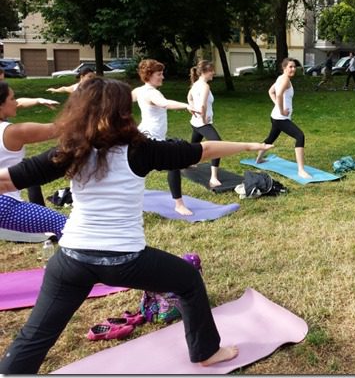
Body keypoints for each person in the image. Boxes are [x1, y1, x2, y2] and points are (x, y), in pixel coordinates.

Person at [0, 77, 273, 374]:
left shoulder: (70, 150)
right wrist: (249, 144)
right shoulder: (141, 149)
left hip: (71, 260)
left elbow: (8, 179)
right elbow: (204, 150)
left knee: (35, 336)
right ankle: (207, 351)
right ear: (122, 112)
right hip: (125, 261)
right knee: (188, 282)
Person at [0, 81, 67, 237]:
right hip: (3, 204)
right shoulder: (13, 132)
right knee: (65, 226)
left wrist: (37, 100)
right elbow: (59, 129)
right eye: (12, 98)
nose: (16, 102)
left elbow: (20, 104)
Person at [132, 59, 193, 215]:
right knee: (174, 163)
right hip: (151, 139)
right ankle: (179, 205)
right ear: (149, 75)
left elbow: (124, 98)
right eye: (159, 74)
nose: (162, 77)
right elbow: (164, 103)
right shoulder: (152, 93)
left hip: (144, 135)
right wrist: (186, 105)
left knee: (135, 170)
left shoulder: (140, 90)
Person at [256, 58, 312, 179]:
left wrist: (277, 105)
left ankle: (259, 159)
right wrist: (281, 110)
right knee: (300, 136)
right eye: (290, 67)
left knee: (271, 138)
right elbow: (279, 94)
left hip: (275, 117)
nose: (293, 69)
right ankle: (301, 170)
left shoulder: (280, 78)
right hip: (280, 118)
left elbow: (271, 92)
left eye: (294, 67)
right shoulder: (285, 80)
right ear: (284, 68)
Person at [188, 60, 223, 188]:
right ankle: (213, 178)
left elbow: (189, 98)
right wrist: (203, 120)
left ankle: (188, 162)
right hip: (201, 123)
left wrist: (192, 109)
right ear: (203, 72)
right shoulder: (205, 86)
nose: (213, 72)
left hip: (195, 123)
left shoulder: (195, 84)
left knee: (194, 145)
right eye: (211, 71)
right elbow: (202, 104)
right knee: (217, 144)